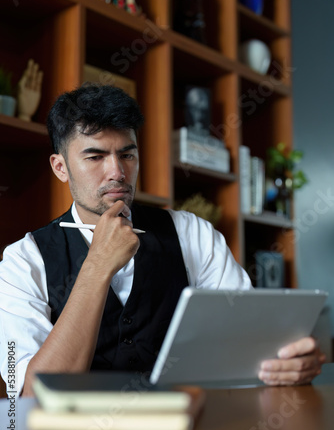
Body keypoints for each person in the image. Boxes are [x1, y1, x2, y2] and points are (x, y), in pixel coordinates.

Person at [0, 85, 325, 397]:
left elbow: (247, 347)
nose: (117, 172)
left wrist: (287, 364)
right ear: (61, 167)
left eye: (127, 154)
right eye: (96, 157)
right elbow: (30, 397)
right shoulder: (22, 261)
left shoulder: (192, 234)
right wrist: (97, 265)